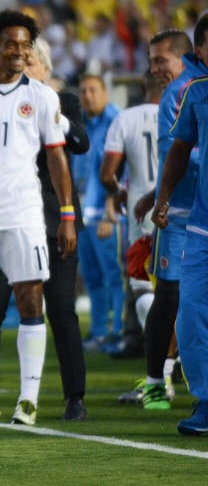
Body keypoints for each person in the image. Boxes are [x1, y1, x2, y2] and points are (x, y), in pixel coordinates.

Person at [0, 36, 90, 420]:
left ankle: (72, 396)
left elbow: (79, 142)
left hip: (49, 218)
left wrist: (53, 112)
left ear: (44, 68)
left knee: (59, 308)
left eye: (32, 64)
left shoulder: (59, 101)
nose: (24, 70)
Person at [125, 25, 206, 409]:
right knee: (170, 295)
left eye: (161, 59)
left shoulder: (187, 88)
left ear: (185, 53)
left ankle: (166, 378)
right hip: (177, 213)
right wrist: (157, 194)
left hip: (189, 210)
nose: (154, 67)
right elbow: (177, 153)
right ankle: (159, 380)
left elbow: (189, 151)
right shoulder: (180, 91)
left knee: (179, 298)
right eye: (151, 60)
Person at [151, 72, 208, 436]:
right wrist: (163, 194)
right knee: (190, 315)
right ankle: (206, 400)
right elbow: (181, 147)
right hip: (202, 227)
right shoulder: (197, 91)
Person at [100, 71, 164, 367]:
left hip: (141, 214)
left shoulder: (125, 119)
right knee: (179, 289)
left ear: (142, 86)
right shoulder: (185, 112)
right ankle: (174, 363)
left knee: (141, 287)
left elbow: (106, 175)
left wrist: (121, 192)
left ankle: (158, 366)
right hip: (181, 211)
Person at [77, 74, 124, 352]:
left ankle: (117, 332)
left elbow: (121, 171)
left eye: (93, 90)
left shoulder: (116, 121)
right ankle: (98, 333)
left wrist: (111, 210)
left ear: (105, 92)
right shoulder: (80, 123)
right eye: (83, 90)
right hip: (84, 213)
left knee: (114, 276)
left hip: (107, 213)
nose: (88, 95)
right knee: (93, 277)